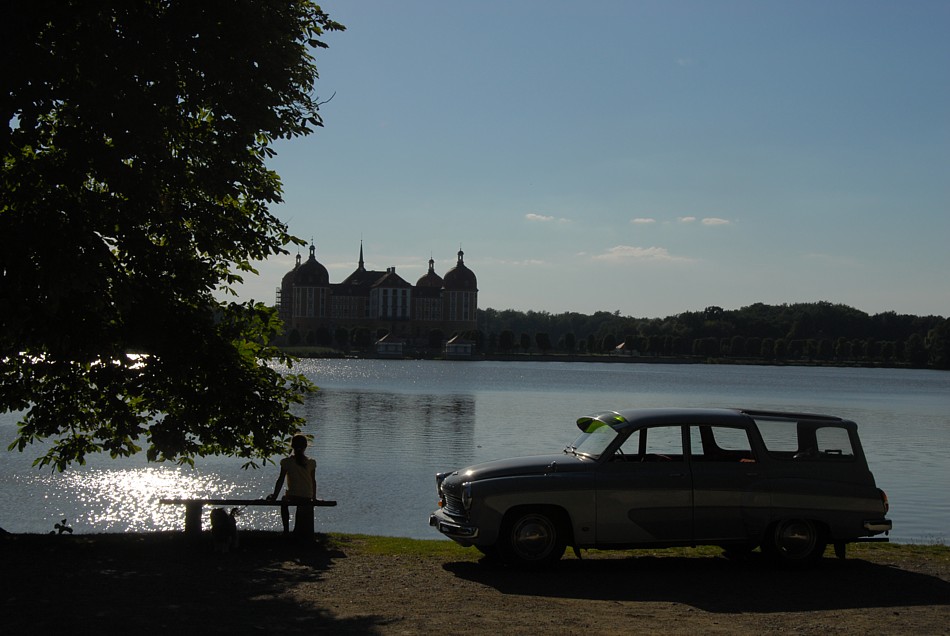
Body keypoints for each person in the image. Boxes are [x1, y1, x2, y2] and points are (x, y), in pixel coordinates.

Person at [268, 434, 317, 536]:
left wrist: (274, 496)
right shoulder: (311, 463)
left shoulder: (287, 462)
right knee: (301, 502)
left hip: (292, 496)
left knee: (283, 501)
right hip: (307, 496)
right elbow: (313, 481)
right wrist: (314, 498)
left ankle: (286, 530)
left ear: (292, 446)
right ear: (306, 447)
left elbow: (280, 480)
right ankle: (296, 530)